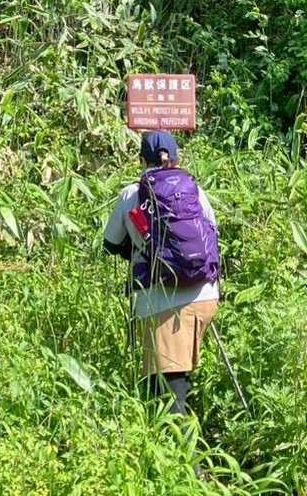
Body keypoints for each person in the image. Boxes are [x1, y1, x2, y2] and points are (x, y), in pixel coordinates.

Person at [102, 129, 220, 416]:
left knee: (169, 392)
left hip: (164, 301)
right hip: (205, 294)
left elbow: (110, 244)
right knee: (177, 375)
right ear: (177, 158)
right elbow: (213, 233)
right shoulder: (195, 190)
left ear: (142, 160)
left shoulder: (132, 193)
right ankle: (189, 433)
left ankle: (184, 444)